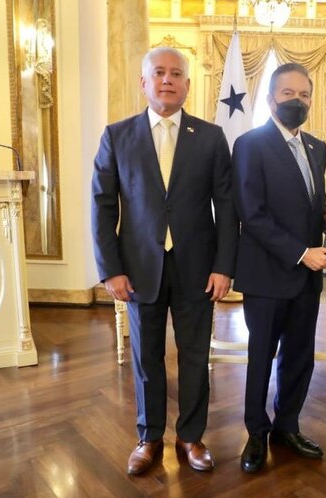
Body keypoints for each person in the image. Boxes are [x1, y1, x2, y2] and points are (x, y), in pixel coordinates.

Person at [91, 47, 238, 475]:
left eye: (176, 74)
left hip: (198, 268)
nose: (168, 80)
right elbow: (102, 206)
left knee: (195, 356)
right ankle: (149, 436)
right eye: (159, 73)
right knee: (146, 358)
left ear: (188, 85)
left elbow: (226, 208)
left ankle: (191, 437)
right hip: (138, 269)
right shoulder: (117, 136)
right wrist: (111, 269)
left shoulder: (211, 138)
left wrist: (224, 265)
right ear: (144, 82)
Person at [232, 63, 326, 473]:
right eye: (288, 93)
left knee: (300, 357)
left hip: (308, 278)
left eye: (304, 95)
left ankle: (287, 426)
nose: (297, 101)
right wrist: (300, 252)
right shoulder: (250, 144)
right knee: (262, 356)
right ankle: (256, 433)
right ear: (272, 97)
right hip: (268, 273)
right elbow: (251, 214)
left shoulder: (317, 147)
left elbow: (311, 204)